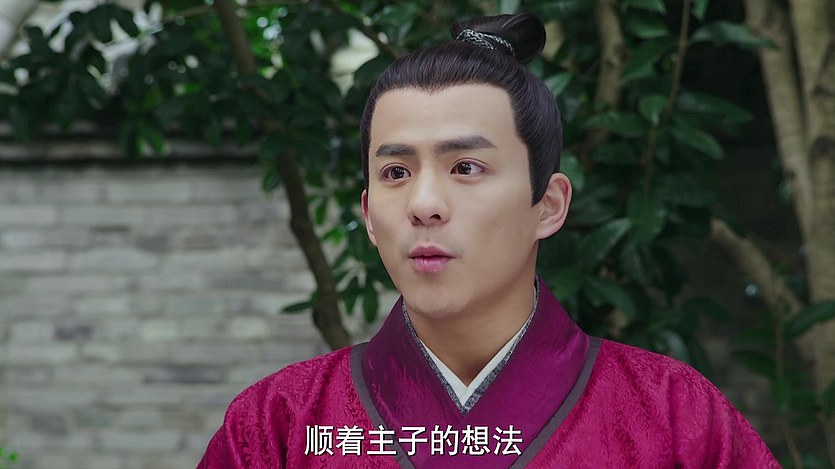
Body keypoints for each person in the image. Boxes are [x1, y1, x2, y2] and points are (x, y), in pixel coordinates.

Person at [199, 13, 779, 468]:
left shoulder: (672, 415)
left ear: (548, 205)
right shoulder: (281, 424)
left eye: (466, 167)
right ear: (369, 215)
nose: (424, 204)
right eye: (397, 172)